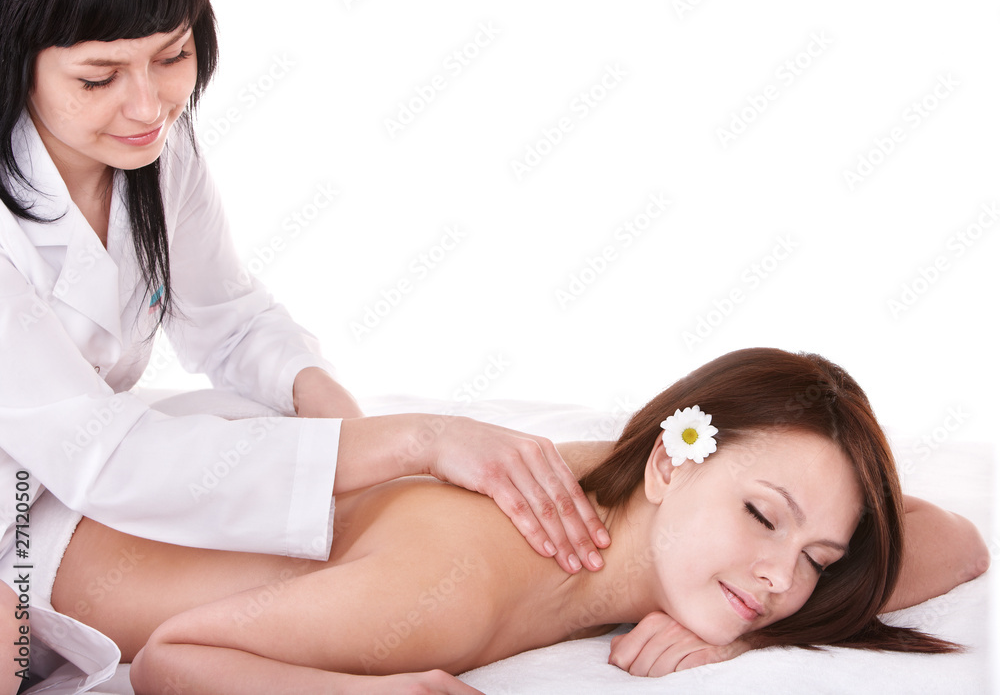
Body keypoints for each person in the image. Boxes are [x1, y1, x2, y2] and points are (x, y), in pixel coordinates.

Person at [0, 0, 609, 690]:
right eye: (99, 79)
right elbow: (109, 458)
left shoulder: (155, 153)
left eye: (173, 57)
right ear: (15, 64)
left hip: (57, 487)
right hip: (56, 488)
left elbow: (230, 319)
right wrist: (413, 439)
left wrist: (347, 429)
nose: (149, 106)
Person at [43, 348, 988, 693]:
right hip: (32, 547)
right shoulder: (450, 589)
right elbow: (174, 660)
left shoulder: (619, 473)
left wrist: (742, 623)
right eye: (761, 517)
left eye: (818, 558)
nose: (783, 578)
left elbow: (955, 539)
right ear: (672, 462)